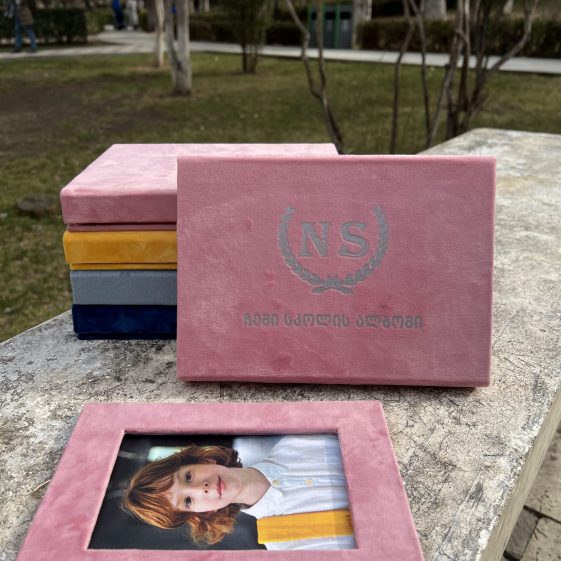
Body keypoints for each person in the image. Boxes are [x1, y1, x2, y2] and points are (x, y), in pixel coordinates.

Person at [123, 435, 355, 550]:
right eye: (188, 500)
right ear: (203, 512)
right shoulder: (285, 544)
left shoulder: (299, 443)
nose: (201, 488)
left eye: (188, 477)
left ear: (204, 460)